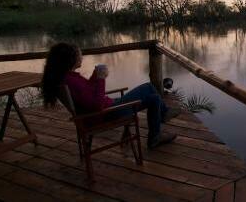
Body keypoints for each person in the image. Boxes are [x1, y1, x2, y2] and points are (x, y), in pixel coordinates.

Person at [41, 42, 179, 148]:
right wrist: (101, 79)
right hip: (107, 113)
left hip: (102, 112)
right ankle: (160, 125)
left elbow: (88, 94)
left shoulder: (66, 78)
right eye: (79, 54)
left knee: (151, 93)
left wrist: (95, 77)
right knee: (151, 92)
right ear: (70, 60)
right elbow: (97, 104)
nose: (81, 56)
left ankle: (159, 126)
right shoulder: (72, 81)